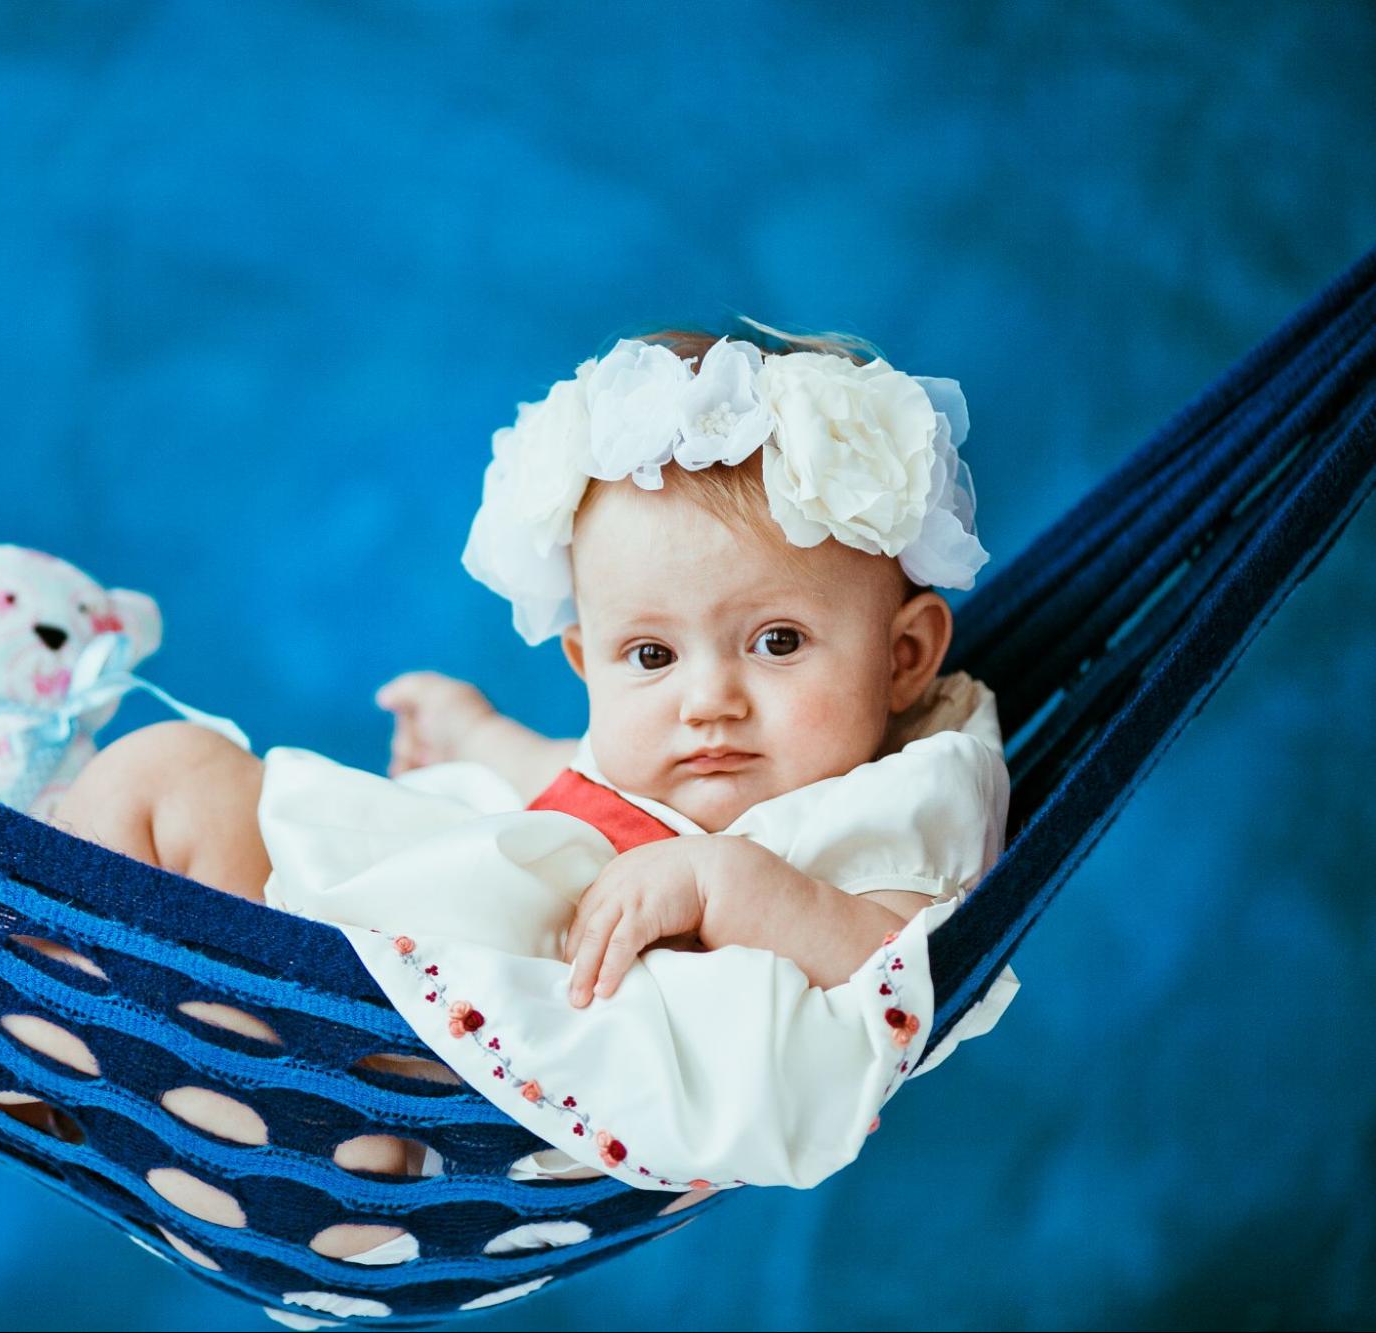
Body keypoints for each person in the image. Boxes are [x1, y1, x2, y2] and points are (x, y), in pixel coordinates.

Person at [50, 323, 1018, 1194]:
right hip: (349, 958)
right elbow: (572, 775)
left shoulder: (904, 793)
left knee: (311, 1103)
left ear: (903, 656)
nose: (707, 699)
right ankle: (48, 1005)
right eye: (649, 655)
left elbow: (903, 978)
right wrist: (473, 733)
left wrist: (729, 886)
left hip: (440, 1060)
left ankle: (214, 1108)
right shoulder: (660, 756)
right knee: (166, 770)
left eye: (776, 642)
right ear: (586, 661)